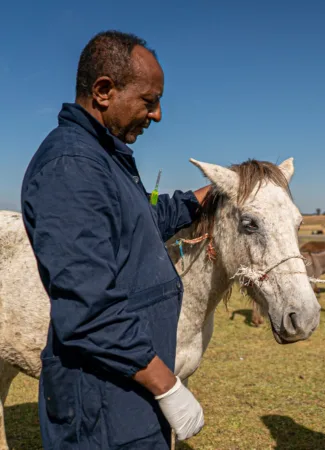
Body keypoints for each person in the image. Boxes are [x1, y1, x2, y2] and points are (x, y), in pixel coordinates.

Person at [21, 31, 208, 449]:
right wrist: (167, 385)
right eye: (148, 100)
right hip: (100, 402)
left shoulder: (103, 157)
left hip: (123, 385)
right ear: (104, 91)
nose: (157, 114)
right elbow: (88, 308)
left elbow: (141, 223)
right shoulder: (72, 167)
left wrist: (202, 198)